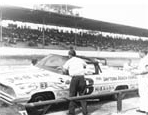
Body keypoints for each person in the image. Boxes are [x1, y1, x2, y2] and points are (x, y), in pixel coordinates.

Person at [62, 49, 88, 115]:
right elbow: (86, 65)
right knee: (83, 95)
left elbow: (64, 70)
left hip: (74, 78)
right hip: (82, 78)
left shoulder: (69, 61)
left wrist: (68, 72)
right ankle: (85, 112)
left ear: (70, 55)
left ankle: (71, 112)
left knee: (72, 95)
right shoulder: (80, 60)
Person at [132, 51, 148, 115]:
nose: (138, 54)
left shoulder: (147, 59)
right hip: (142, 79)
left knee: (145, 94)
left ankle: (147, 109)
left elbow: (147, 70)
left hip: (145, 79)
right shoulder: (143, 59)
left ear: (143, 53)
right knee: (141, 93)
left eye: (139, 53)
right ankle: (142, 108)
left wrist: (138, 73)